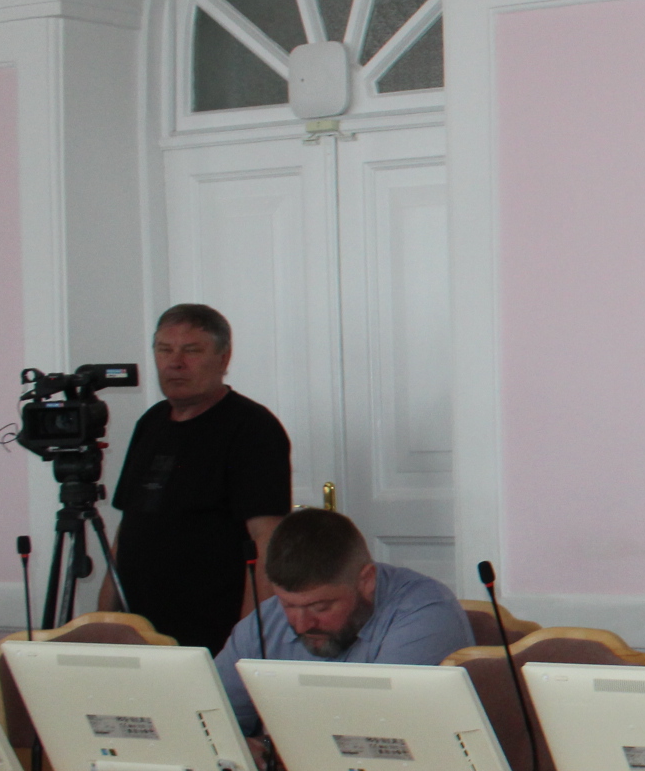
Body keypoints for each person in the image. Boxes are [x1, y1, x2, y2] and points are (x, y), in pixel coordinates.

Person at [105, 305, 292, 652]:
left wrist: (247, 641)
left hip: (212, 635)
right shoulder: (150, 423)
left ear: (223, 358)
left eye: (191, 350)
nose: (175, 363)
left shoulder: (252, 428)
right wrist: (105, 622)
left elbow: (267, 539)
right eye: (164, 350)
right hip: (138, 634)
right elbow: (126, 530)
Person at [214, 508, 475, 731]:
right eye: (289, 605)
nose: (302, 624)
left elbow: (380, 732)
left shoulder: (424, 614)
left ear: (366, 580)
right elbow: (213, 719)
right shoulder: (266, 621)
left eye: (320, 607)